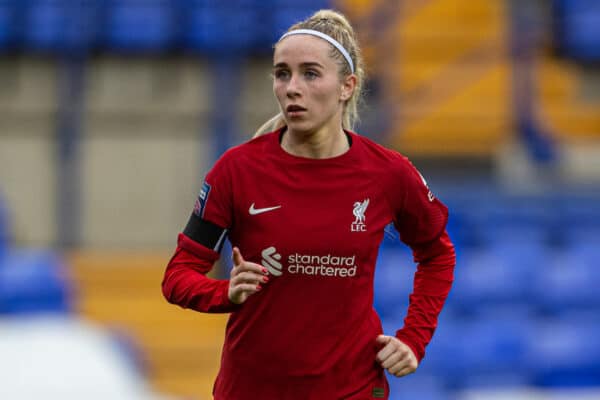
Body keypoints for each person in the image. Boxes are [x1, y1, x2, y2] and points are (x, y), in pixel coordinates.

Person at [162, 9, 455, 400]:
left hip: (350, 389)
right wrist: (224, 294)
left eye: (310, 74)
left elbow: (437, 254)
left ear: (347, 86)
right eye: (282, 73)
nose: (291, 88)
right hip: (252, 390)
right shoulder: (236, 170)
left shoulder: (388, 173)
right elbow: (178, 275)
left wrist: (414, 338)